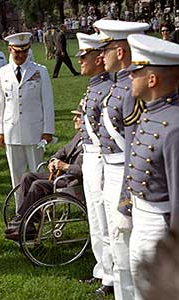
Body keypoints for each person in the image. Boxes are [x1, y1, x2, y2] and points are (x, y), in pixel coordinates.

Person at [118, 34, 179, 300]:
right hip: (142, 218)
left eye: (136, 72)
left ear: (152, 79)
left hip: (160, 225)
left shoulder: (174, 126)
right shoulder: (150, 112)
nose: (130, 77)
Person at [93, 19, 150, 300]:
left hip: (123, 175)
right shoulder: (120, 85)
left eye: (106, 49)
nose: (99, 56)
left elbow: (136, 150)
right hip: (110, 170)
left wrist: (126, 201)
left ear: (121, 51)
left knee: (128, 252)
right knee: (119, 250)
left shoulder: (132, 89)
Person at [5, 106, 83, 241]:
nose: (74, 119)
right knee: (27, 177)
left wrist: (65, 166)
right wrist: (54, 159)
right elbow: (63, 151)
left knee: (37, 185)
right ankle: (26, 221)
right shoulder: (79, 136)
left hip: (74, 182)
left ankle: (22, 221)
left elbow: (86, 171)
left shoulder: (93, 142)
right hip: (64, 177)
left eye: (78, 116)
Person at [75, 32, 114, 296]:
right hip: (90, 157)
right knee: (95, 220)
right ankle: (102, 269)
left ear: (99, 58)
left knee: (105, 219)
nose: (80, 61)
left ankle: (111, 276)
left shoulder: (107, 88)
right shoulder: (94, 86)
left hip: (101, 158)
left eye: (84, 56)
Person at [0, 32, 55, 196]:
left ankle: (42, 208)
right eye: (17, 51)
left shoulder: (39, 71)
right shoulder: (2, 73)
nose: (21, 55)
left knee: (38, 173)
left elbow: (47, 103)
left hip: (35, 131)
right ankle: (20, 211)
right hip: (11, 131)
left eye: (24, 51)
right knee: (16, 176)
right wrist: (0, 131)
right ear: (10, 50)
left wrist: (48, 130)